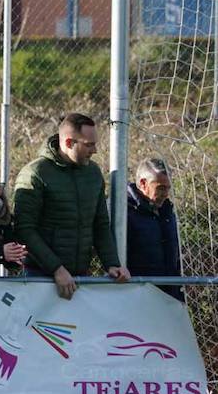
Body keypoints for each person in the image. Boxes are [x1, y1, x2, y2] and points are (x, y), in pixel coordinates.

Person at [13, 113, 130, 300]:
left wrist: (112, 264)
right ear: (68, 143)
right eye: (89, 145)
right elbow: (25, 229)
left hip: (79, 277)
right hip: (40, 278)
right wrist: (56, 269)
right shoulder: (35, 174)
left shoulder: (93, 173)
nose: (95, 150)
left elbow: (100, 224)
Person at [126, 157, 182, 301]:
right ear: (143, 183)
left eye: (168, 188)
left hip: (168, 295)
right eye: (161, 188)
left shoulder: (166, 212)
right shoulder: (123, 211)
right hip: (136, 296)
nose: (165, 194)